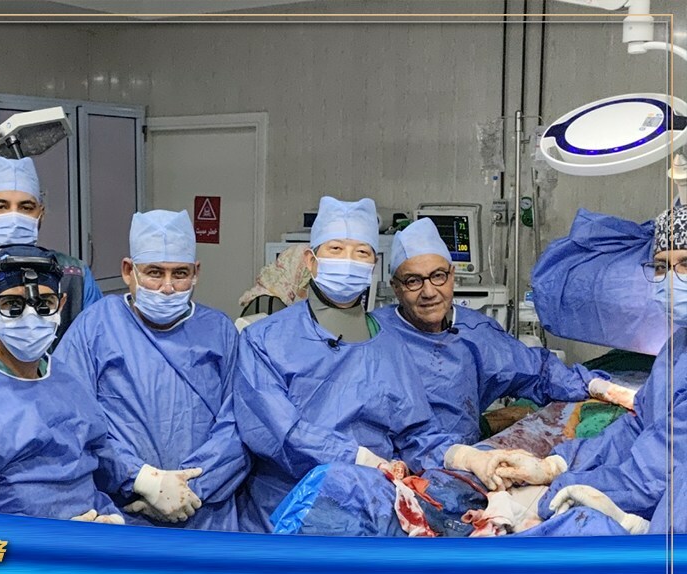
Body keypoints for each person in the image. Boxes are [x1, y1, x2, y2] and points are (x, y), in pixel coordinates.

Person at [232, 196, 519, 533]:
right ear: (311, 261)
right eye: (336, 249)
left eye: (361, 252)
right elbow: (280, 433)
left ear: (374, 264)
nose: (348, 261)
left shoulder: (389, 346)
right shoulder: (265, 339)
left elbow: (416, 434)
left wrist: (465, 457)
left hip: (372, 511)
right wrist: (358, 458)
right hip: (286, 515)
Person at [497, 204, 687, 534]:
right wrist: (558, 464)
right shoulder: (678, 346)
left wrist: (556, 491)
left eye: (685, 264)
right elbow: (639, 426)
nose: (671, 280)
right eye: (660, 267)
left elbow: (649, 478)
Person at [55, 210, 248, 531]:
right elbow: (73, 419)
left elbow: (239, 424)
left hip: (205, 512)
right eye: (154, 273)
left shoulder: (219, 331)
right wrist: (143, 480)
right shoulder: (97, 326)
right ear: (128, 271)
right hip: (125, 510)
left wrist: (187, 491)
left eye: (180, 273)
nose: (168, 287)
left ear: (196, 272)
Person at [371, 218, 634, 444]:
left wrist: (596, 386)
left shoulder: (476, 333)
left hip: (459, 462)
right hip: (389, 467)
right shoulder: (373, 335)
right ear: (396, 288)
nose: (429, 292)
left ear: (451, 276)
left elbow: (538, 372)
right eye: (413, 281)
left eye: (438, 276)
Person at [0, 245, 122, 523]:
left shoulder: (65, 377)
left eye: (44, 304)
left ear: (61, 305)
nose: (31, 317)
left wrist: (132, 491)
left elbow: (101, 459)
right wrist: (43, 541)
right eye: (12, 305)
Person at [0, 157, 102, 368]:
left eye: (26, 207)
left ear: (40, 213)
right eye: (1, 206)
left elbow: (97, 349)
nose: (13, 217)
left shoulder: (75, 277)